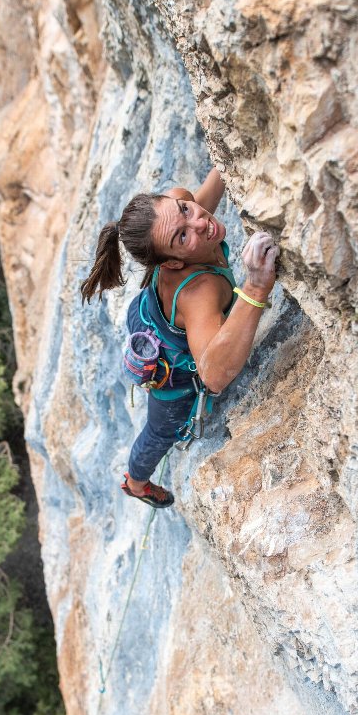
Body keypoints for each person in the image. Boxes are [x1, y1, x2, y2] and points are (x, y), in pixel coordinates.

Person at [81, 168, 278, 508]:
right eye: (183, 238)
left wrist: (226, 159)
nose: (200, 224)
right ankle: (137, 482)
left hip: (148, 312)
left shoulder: (179, 203)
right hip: (170, 366)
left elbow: (202, 204)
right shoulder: (200, 292)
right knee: (160, 432)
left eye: (185, 211)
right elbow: (213, 375)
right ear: (171, 263)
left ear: (174, 201)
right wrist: (256, 286)